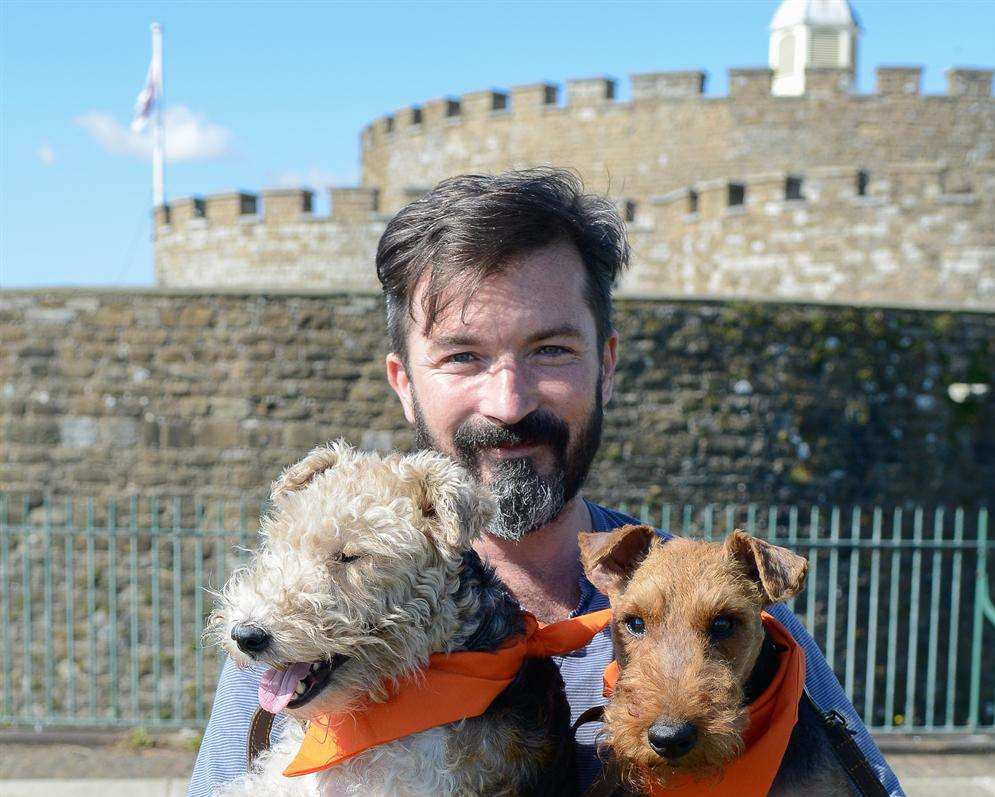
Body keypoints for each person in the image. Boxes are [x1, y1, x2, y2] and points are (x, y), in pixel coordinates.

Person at [188, 168, 902, 796]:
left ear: (607, 365)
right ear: (403, 384)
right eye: (463, 356)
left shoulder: (724, 608)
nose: (508, 401)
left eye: (551, 349)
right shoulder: (313, 638)